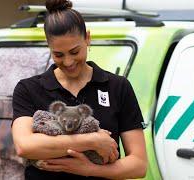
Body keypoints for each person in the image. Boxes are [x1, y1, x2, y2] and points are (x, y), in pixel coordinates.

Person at [11, 0, 148, 179]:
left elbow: (139, 165)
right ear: (49, 46)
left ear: (88, 38)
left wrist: (90, 169)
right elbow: (25, 146)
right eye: (58, 55)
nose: (68, 62)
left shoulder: (117, 86)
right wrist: (93, 141)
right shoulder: (28, 89)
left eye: (75, 52)